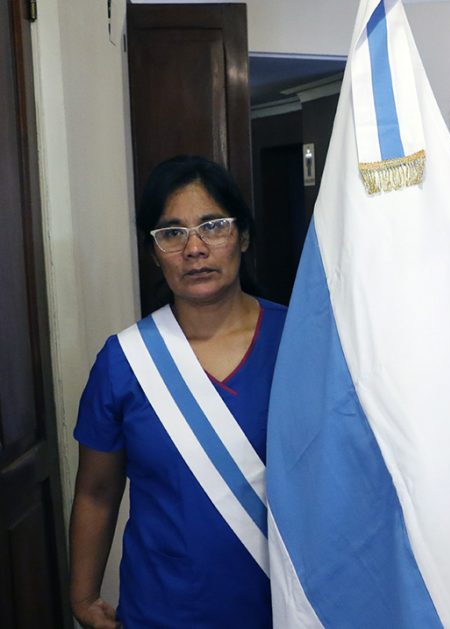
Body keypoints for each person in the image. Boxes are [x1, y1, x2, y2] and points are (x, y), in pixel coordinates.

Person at [68, 155, 284, 628]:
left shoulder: (298, 342)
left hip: (284, 607)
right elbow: (97, 490)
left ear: (243, 236)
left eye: (213, 226)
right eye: (172, 233)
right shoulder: (124, 362)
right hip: (164, 610)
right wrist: (83, 596)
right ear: (154, 252)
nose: (195, 248)